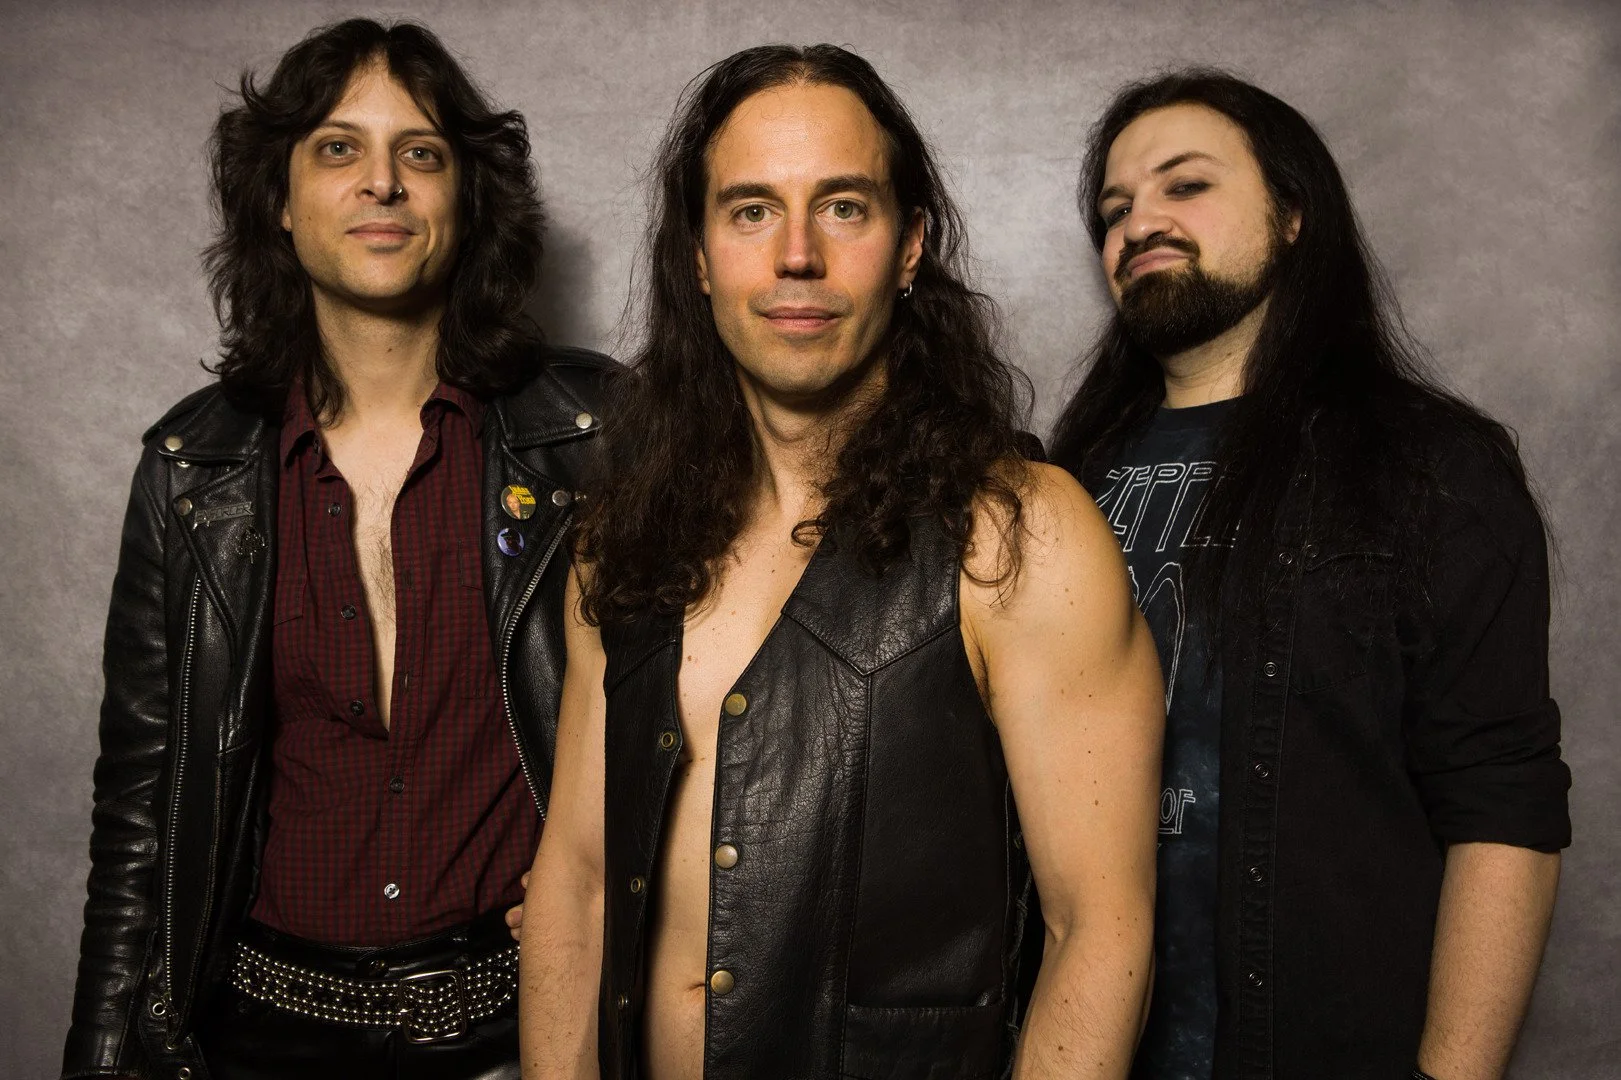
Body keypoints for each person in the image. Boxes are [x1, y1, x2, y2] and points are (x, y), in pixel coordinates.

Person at [516, 43, 1164, 1080]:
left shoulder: (1018, 533)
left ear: (909, 247)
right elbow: (578, 884)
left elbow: (1098, 929)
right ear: (698, 255)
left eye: (844, 207)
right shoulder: (620, 540)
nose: (797, 256)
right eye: (751, 210)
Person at [61, 19, 612, 1080]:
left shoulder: (591, 436)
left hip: (527, 1031)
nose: (382, 183)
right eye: (337, 148)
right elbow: (140, 804)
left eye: (421, 152)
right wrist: (102, 1056)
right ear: (279, 198)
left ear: (467, 197)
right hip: (261, 1036)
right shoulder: (192, 472)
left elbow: (687, 728)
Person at [1049, 69, 1571, 1080]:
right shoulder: (1056, 484)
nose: (1138, 223)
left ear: (1292, 215)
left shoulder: (1429, 467)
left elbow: (1502, 806)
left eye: (1184, 185)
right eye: (1114, 210)